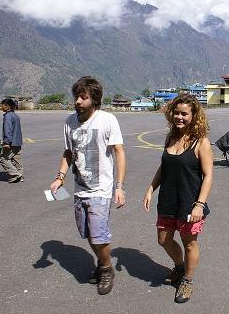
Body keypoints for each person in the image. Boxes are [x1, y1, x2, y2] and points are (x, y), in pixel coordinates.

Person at [49, 76, 126, 295]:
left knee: (98, 235)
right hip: (80, 188)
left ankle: (106, 269)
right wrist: (60, 177)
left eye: (83, 97)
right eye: (76, 97)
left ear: (95, 99)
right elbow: (68, 152)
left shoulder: (107, 120)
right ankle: (102, 263)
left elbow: (119, 153)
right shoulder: (69, 121)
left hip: (101, 189)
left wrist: (119, 187)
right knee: (88, 234)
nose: (78, 102)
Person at [143, 94, 213, 304]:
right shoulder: (170, 138)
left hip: (190, 203)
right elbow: (164, 167)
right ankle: (180, 267)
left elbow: (208, 175)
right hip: (167, 200)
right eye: (176, 112)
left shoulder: (201, 142)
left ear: (194, 116)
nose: (179, 117)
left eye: (184, 113)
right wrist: (150, 188)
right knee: (163, 239)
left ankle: (187, 281)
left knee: (189, 243)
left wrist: (200, 204)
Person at [0, 98, 24, 183]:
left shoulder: (7, 116)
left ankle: (15, 174)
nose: (1, 107)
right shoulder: (15, 115)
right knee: (16, 159)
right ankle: (20, 175)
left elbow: (8, 130)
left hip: (11, 143)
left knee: (3, 158)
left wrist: (6, 142)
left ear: (7, 106)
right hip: (18, 142)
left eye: (2, 105)